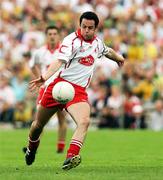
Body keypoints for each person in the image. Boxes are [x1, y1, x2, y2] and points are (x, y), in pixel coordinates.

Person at [24, 11, 125, 170]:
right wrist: (44, 77)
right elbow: (58, 61)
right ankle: (31, 149)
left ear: (95, 28)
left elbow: (108, 51)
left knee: (84, 121)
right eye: (84, 26)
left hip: (77, 92)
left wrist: (118, 57)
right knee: (37, 125)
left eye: (90, 28)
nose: (86, 30)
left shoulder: (97, 44)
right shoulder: (71, 41)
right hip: (58, 86)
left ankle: (71, 156)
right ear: (80, 25)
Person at [28, 25, 67, 153]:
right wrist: (40, 78)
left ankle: (60, 148)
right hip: (45, 88)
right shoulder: (40, 52)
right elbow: (32, 65)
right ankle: (34, 146)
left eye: (54, 34)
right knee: (39, 119)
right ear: (46, 36)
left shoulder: (64, 50)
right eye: (49, 34)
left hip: (60, 87)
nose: (52, 36)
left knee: (61, 117)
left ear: (59, 35)